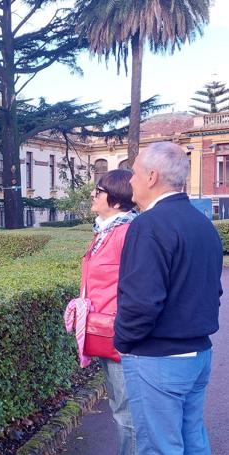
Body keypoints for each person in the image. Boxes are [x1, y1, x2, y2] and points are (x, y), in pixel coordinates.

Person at [115, 142, 223, 454]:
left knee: (160, 447)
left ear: (151, 176)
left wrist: (123, 341)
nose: (130, 180)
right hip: (198, 354)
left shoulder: (148, 225)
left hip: (158, 358)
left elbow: (141, 301)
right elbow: (211, 289)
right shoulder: (203, 224)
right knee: (192, 440)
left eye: (134, 173)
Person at [80, 169, 137, 455]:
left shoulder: (126, 233)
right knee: (120, 407)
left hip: (119, 338)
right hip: (103, 334)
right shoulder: (105, 231)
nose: (93, 194)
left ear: (116, 200)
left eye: (99, 191)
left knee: (127, 413)